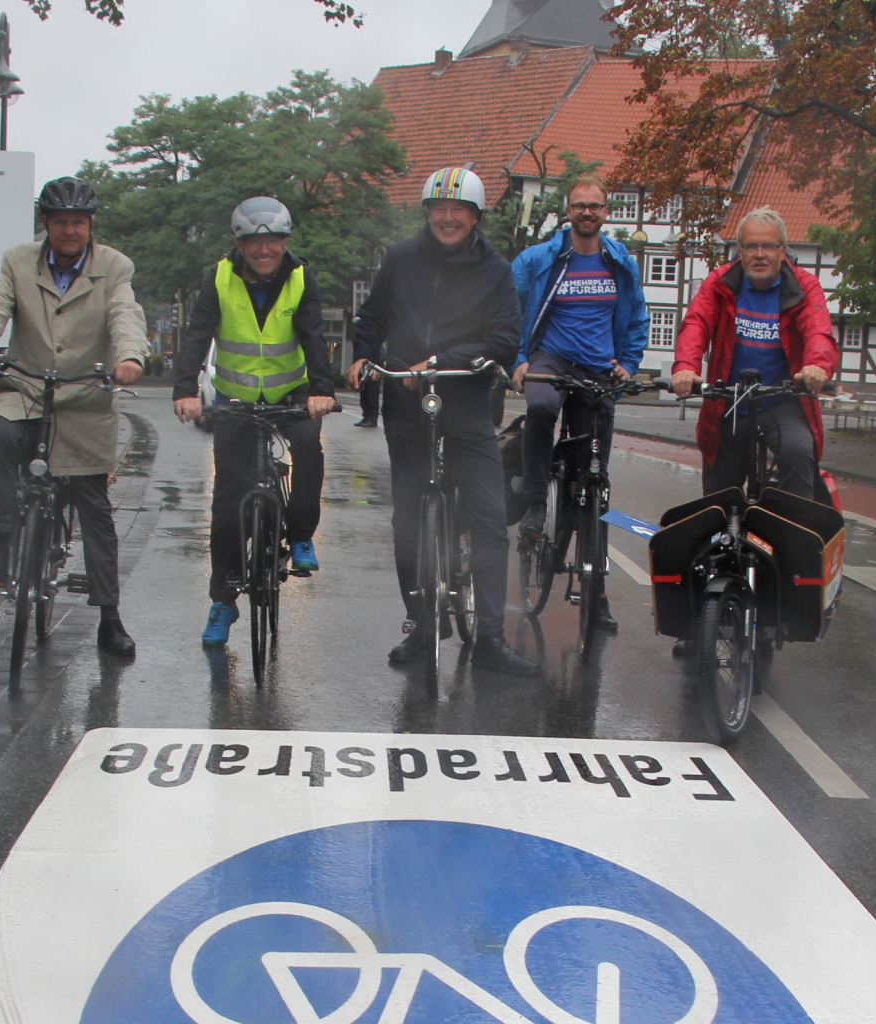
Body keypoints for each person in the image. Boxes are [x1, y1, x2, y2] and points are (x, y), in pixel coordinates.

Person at [348, 167, 538, 677]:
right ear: (428, 212)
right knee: (407, 520)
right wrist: (363, 356)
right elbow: (371, 319)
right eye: (439, 208)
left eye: (458, 210)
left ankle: (491, 639)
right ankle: (422, 625)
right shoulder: (401, 259)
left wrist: (441, 359)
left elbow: (503, 339)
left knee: (488, 520)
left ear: (475, 216)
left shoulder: (496, 270)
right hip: (406, 408)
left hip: (468, 404)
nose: (448, 217)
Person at [0, 177, 148, 658]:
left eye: (79, 223)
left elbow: (125, 314)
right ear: (44, 223)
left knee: (94, 508)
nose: (70, 231)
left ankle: (109, 618)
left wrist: (129, 357)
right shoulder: (17, 260)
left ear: (91, 227)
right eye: (61, 222)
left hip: (86, 395)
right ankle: (3, 544)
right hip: (26, 387)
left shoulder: (114, 266)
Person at [171, 197, 338, 648]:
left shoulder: (301, 277)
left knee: (308, 446)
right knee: (227, 501)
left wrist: (323, 390)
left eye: (273, 241)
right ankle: (223, 601)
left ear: (285, 242)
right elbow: (198, 332)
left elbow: (314, 336)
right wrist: (185, 390)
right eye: (254, 241)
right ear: (241, 244)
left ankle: (301, 534)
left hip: (292, 393)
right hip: (235, 399)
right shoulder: (220, 278)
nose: (264, 249)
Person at [508, 174, 650, 634]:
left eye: (595, 206)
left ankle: (595, 589)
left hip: (597, 368)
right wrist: (519, 360)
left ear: (606, 212)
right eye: (579, 206)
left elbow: (636, 317)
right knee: (543, 409)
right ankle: (533, 504)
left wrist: (628, 363)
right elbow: (509, 310)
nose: (587, 213)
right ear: (567, 211)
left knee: (593, 480)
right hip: (550, 359)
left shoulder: (619, 261)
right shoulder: (542, 258)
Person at [669, 207, 838, 499]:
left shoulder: (804, 285)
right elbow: (696, 323)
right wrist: (686, 366)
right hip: (729, 399)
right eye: (751, 246)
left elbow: (818, 329)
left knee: (799, 453)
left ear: (783, 250)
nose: (760, 254)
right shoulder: (720, 283)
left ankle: (793, 533)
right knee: (718, 498)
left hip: (781, 400)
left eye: (768, 246)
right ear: (740, 250)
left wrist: (817, 366)